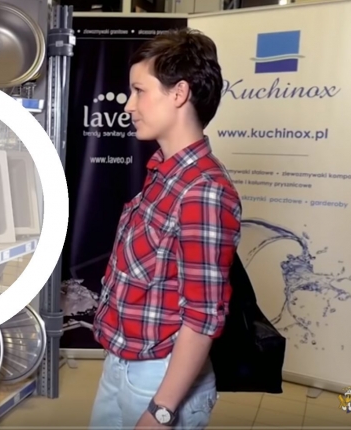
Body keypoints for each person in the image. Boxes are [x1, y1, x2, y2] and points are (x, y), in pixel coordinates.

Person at [88, 28, 240, 429]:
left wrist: (161, 411)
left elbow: (202, 319)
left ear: (179, 93)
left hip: (160, 378)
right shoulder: (164, 172)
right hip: (123, 363)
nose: (129, 105)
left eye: (140, 91)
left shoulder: (203, 191)